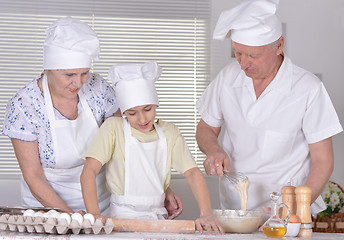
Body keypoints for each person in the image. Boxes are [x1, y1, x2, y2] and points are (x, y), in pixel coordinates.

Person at [2, 17, 183, 217]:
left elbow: (127, 146)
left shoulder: (98, 89)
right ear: (48, 69)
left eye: (84, 73)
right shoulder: (24, 106)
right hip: (47, 211)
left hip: (102, 205)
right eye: (69, 75)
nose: (78, 83)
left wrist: (160, 188)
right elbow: (33, 176)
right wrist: (70, 218)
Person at [196, 0, 343, 214]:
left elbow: (323, 161)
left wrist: (295, 209)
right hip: (235, 210)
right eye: (238, 53)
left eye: (253, 56)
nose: (243, 64)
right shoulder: (227, 78)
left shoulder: (308, 88)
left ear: (279, 45)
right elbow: (206, 129)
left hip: (287, 212)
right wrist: (214, 150)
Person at [80, 61, 224, 234]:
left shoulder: (169, 132)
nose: (142, 119)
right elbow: (89, 171)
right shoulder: (113, 128)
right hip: (120, 219)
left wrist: (206, 213)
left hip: (158, 221)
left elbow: (192, 173)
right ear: (124, 111)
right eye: (132, 113)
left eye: (147, 109)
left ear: (156, 104)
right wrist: (94, 215)